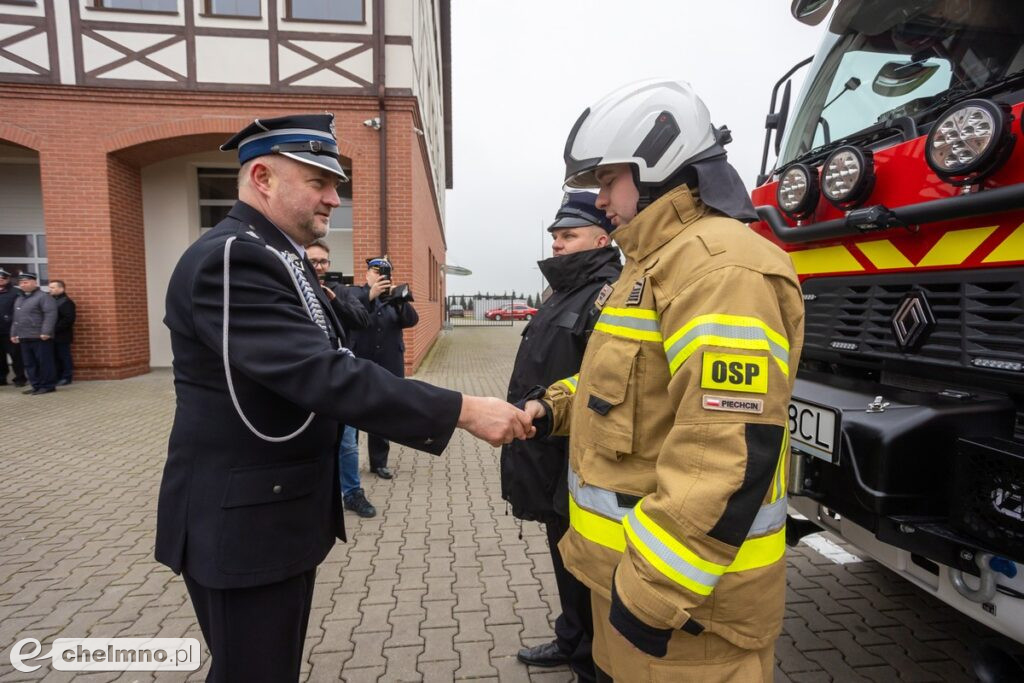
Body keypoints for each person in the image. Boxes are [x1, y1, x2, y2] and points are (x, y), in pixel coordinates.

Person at [156, 114, 532, 683]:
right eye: (318, 182)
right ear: (262, 177)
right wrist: (461, 409)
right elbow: (322, 373)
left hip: (271, 514)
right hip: (242, 525)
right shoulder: (235, 257)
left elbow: (336, 355)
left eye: (337, 183)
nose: (335, 198)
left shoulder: (277, 255)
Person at [523, 79, 805, 682]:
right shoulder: (649, 268)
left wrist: (648, 598)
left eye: (606, 181)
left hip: (687, 614)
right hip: (622, 586)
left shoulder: (722, 270)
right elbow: (624, 388)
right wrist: (552, 409)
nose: (599, 201)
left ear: (657, 163)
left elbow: (725, 456)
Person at [502, 191, 621, 680]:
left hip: (581, 456)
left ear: (602, 238)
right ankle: (572, 639)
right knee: (563, 554)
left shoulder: (608, 293)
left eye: (568, 235)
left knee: (591, 565)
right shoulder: (561, 292)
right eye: (555, 235)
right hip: (547, 447)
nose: (557, 244)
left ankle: (595, 662)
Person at [306, 239, 377, 518]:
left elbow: (361, 320)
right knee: (310, 439)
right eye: (313, 262)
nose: (320, 267)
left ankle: (352, 493)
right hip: (306, 376)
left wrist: (334, 301)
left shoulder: (342, 292)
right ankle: (315, 495)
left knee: (347, 441)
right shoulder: (293, 288)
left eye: (324, 262)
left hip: (338, 375)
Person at [349, 256, 419, 480]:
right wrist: (371, 294)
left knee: (382, 413)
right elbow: (351, 315)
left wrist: (399, 301)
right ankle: (350, 461)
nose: (379, 276)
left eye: (384, 273)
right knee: (355, 413)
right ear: (367, 273)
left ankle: (379, 462)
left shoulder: (394, 299)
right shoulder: (355, 294)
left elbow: (411, 320)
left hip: (389, 363)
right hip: (361, 361)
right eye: (375, 272)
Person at [10, 272, 58, 395]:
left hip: (39, 336)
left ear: (34, 282)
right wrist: (14, 333)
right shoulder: (20, 298)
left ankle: (47, 385)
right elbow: (16, 318)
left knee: (43, 362)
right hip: (24, 336)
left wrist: (46, 331)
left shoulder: (43, 297)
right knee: (29, 363)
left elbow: (50, 314)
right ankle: (36, 385)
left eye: (25, 282)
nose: (23, 285)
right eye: (21, 283)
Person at [0, 268, 27, 387]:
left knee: (16, 356)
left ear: (8, 279)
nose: (1, 280)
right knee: (0, 358)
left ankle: (20, 378)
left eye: (3, 278)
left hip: (11, 330)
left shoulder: (16, 292)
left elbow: (22, 310)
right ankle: (1, 378)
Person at [49, 279, 76, 386]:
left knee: (64, 356)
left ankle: (66, 377)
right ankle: (58, 376)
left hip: (62, 335)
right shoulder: (51, 300)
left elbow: (69, 319)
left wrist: (54, 329)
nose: (50, 289)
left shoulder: (66, 302)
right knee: (55, 357)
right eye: (50, 287)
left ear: (61, 288)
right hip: (52, 335)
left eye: (53, 287)